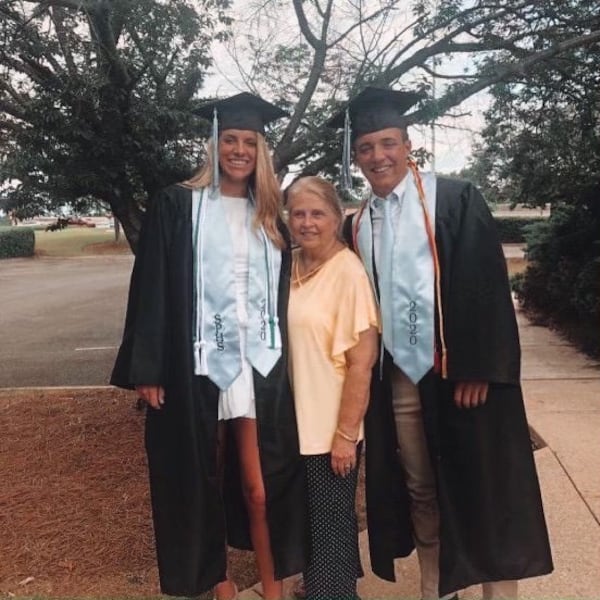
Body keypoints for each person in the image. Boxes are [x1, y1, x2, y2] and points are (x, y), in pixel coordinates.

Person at [327, 87, 553, 599]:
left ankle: (499, 593)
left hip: (459, 376)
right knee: (420, 487)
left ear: (408, 145)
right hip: (400, 380)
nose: (378, 156)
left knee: (483, 487)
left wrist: (480, 368)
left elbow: (485, 285)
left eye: (388, 143)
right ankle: (436, 587)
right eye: (366, 148)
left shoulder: (453, 199)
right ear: (356, 157)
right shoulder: (356, 223)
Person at [111, 93, 307, 600]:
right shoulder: (178, 204)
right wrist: (149, 368)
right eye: (230, 140)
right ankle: (221, 590)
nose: (239, 150)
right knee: (204, 480)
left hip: (258, 365)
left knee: (260, 488)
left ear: (261, 151)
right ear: (214, 144)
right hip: (195, 361)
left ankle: (273, 590)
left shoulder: (271, 217)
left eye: (249, 142)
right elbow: (152, 286)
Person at [285, 176, 379, 600]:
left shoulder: (348, 273)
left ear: (337, 217)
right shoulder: (289, 265)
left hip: (329, 430)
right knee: (314, 528)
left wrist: (345, 435)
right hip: (293, 423)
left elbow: (362, 362)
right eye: (298, 213)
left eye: (317, 213)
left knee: (329, 530)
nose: (307, 223)